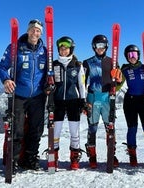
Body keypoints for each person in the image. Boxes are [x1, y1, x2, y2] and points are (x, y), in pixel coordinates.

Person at [0, 19, 47, 172]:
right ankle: (14, 160)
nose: (35, 32)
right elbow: (2, 66)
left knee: (36, 130)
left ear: (41, 33)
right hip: (19, 95)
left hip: (38, 96)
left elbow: (48, 72)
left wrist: (49, 84)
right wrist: (6, 79)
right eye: (32, 29)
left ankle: (30, 159)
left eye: (38, 30)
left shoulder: (45, 51)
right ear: (27, 31)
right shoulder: (15, 48)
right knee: (17, 130)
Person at [83, 34, 122, 169]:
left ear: (106, 47)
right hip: (93, 97)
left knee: (109, 128)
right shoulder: (87, 62)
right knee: (92, 128)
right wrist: (84, 101)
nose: (100, 48)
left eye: (103, 46)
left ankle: (112, 154)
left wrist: (117, 82)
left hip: (107, 98)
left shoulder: (113, 61)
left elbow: (120, 82)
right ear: (94, 47)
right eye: (98, 45)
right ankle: (92, 156)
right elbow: (82, 83)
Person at [51, 36, 87, 170]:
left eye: (66, 48)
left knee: (74, 132)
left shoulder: (77, 65)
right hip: (58, 101)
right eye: (61, 48)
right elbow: (49, 82)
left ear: (71, 49)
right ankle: (53, 157)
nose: (63, 50)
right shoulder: (54, 64)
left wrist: (83, 101)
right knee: (56, 132)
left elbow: (82, 84)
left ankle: (74, 157)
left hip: (73, 101)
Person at [118, 44, 144, 167]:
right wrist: (115, 78)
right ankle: (132, 155)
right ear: (126, 57)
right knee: (132, 128)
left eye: (134, 54)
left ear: (138, 55)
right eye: (129, 55)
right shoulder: (125, 70)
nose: (132, 57)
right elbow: (117, 87)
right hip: (130, 101)